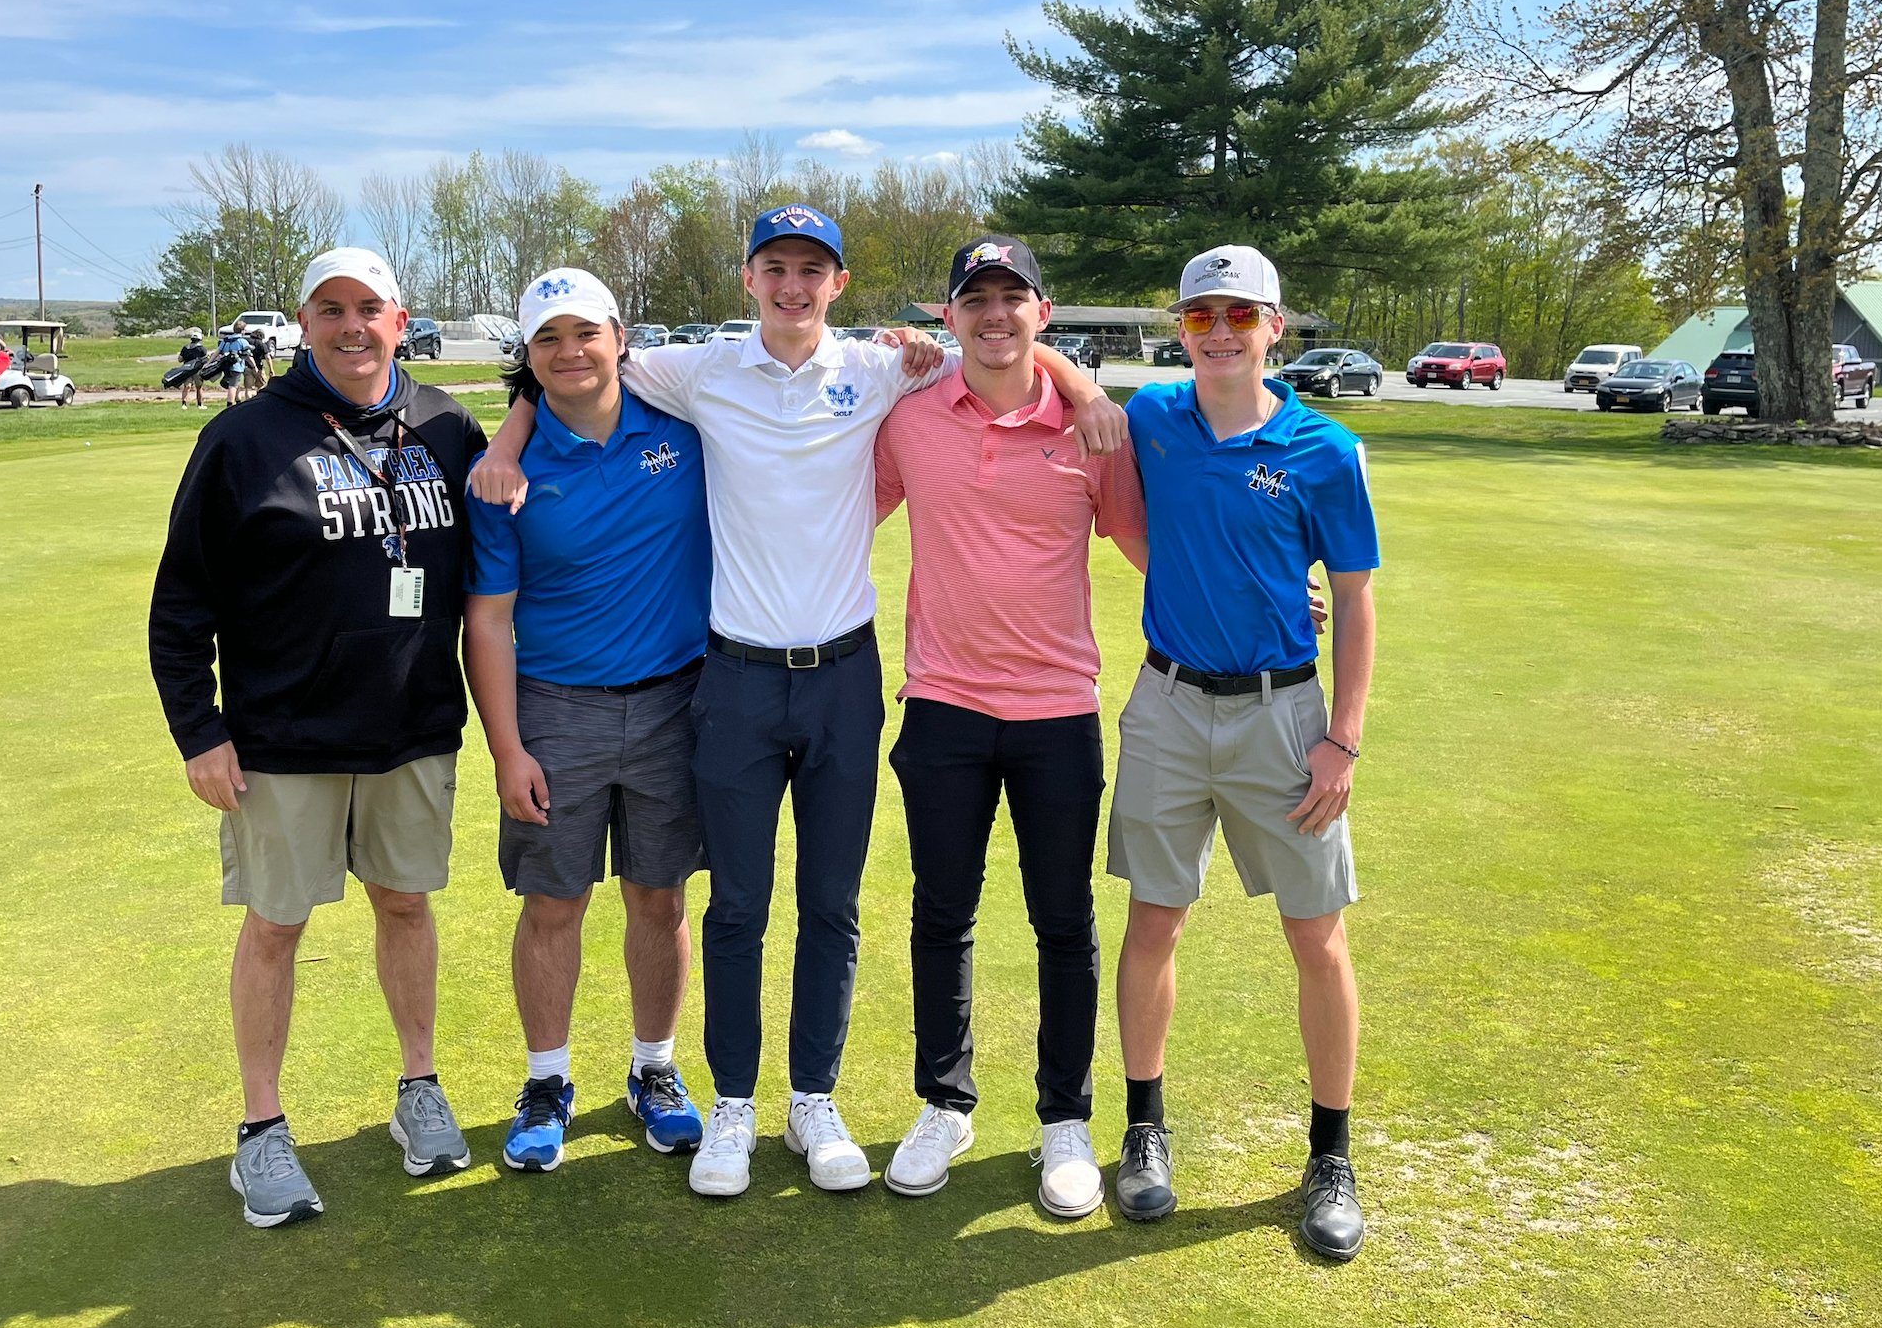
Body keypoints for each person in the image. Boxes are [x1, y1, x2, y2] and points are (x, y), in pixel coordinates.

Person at [473, 203, 1126, 1200]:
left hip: (842, 681)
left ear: (837, 282)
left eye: (810, 270)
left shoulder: (881, 369)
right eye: (773, 267)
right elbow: (569, 370)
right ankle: (732, 1101)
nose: (791, 286)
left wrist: (1079, 379)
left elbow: (1006, 353)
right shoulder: (698, 371)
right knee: (736, 906)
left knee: (831, 904)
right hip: (730, 679)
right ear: (749, 281)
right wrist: (512, 435)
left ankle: (810, 1097)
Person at [149, 247, 487, 1229]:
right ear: (302, 322)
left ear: (399, 317)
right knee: (274, 926)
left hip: (413, 728)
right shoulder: (243, 438)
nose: (350, 326)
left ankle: (418, 1087)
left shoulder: (444, 425)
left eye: (367, 308)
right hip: (280, 736)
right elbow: (182, 600)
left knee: (406, 908)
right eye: (329, 309)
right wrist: (198, 731)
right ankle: (261, 1129)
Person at [1106, 245, 1377, 1261]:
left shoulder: (1325, 448)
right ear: (1179, 330)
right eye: (1198, 317)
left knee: (1316, 937)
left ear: (1274, 325)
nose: (1217, 333)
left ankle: (1331, 1155)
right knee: (1154, 919)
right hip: (1168, 704)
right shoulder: (1152, 420)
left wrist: (1341, 740)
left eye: (1238, 315)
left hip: (1284, 716)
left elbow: (1351, 600)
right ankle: (1142, 1130)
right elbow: (1050, 373)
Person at [871, 235, 1147, 1218]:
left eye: (1011, 296)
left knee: (1061, 921)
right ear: (948, 317)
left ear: (1043, 311)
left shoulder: (1090, 430)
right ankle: (944, 1103)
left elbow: (1150, 548)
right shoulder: (907, 419)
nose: (994, 313)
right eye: (973, 298)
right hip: (941, 703)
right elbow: (824, 505)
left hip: (1055, 711)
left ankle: (1063, 1119)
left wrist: (1270, 596)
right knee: (940, 915)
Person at [465, 268, 712, 1173]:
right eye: (547, 340)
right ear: (528, 359)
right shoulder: (504, 476)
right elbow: (488, 617)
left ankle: (654, 1069)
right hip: (554, 712)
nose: (570, 352)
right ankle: (546, 1081)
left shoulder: (685, 429)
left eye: (585, 333)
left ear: (619, 338)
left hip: (676, 704)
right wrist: (505, 748)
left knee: (661, 895)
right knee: (554, 903)